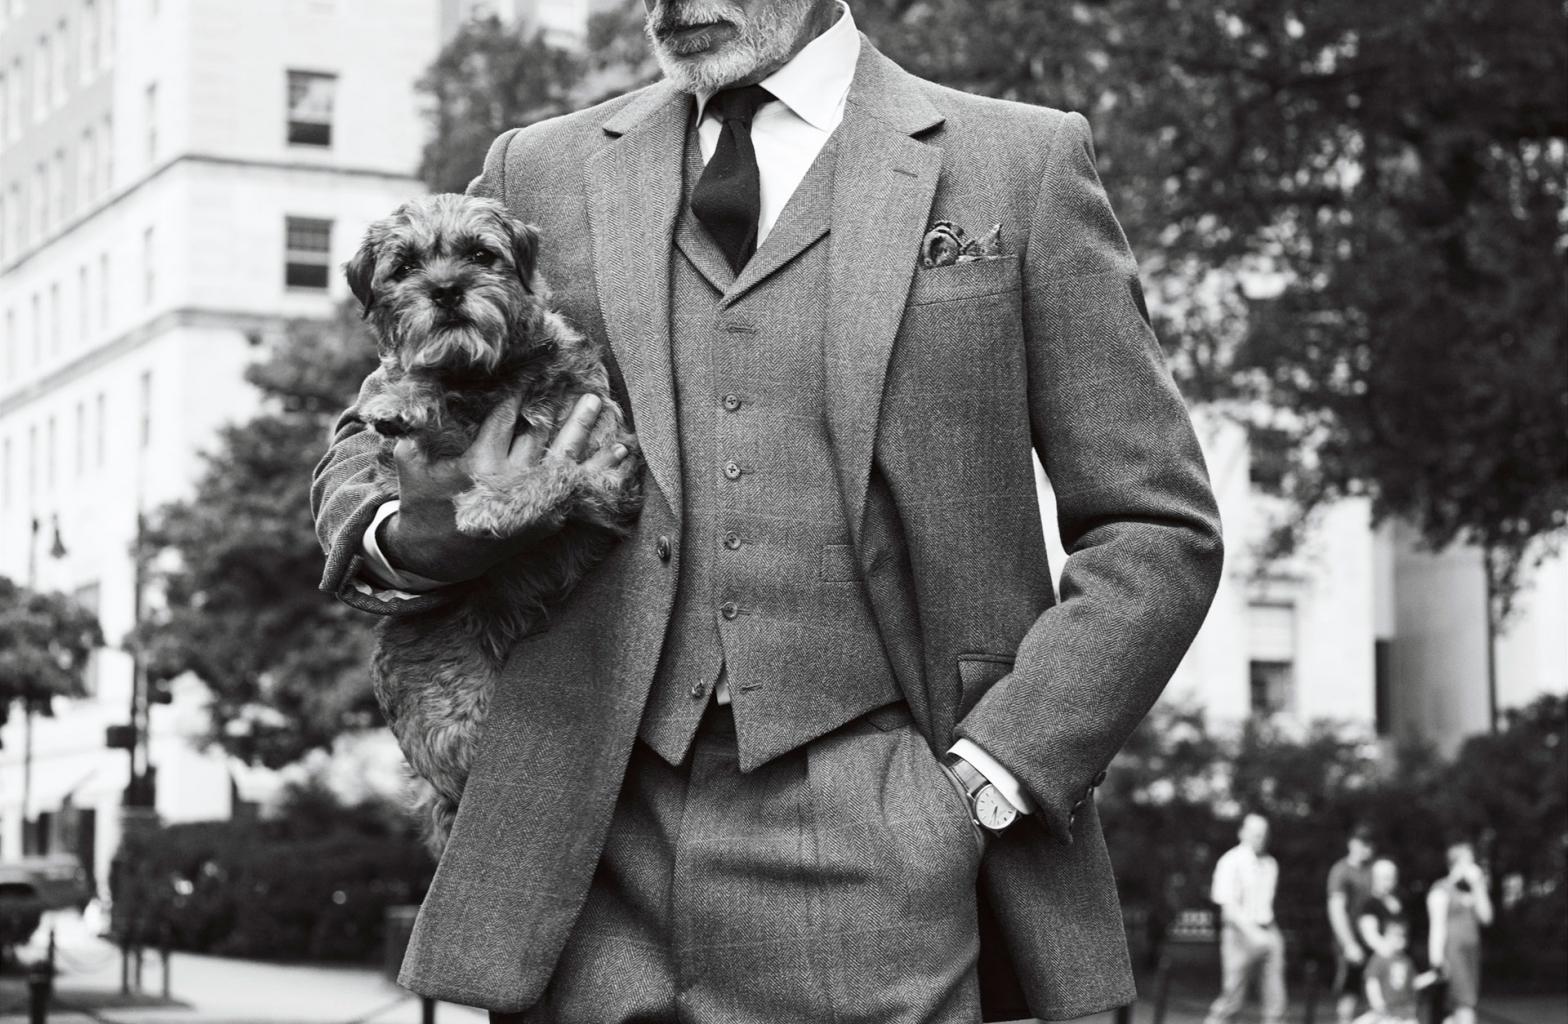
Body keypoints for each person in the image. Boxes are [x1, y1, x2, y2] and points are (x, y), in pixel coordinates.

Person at [310, 0, 1224, 1020]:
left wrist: (987, 774)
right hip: (579, 855)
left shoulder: (1019, 162)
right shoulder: (537, 171)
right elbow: (368, 435)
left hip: (884, 842)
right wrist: (434, 531)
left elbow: (1155, 526)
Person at [1204, 814, 1287, 1024]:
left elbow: (1265, 904)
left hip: (1268, 929)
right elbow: (1229, 907)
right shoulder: (1230, 861)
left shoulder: (1270, 864)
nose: (1260, 837)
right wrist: (1253, 934)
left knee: (1276, 1002)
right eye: (1255, 832)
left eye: (1263, 833)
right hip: (1239, 933)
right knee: (1232, 999)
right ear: (1242, 832)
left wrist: (1271, 937)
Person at [1428, 840, 1493, 1024]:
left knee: (1457, 1008)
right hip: (1453, 954)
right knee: (1465, 1005)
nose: (1474, 866)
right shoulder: (1441, 889)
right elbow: (1437, 926)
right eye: (1469, 861)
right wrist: (1436, 960)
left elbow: (1486, 917)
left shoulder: (1472, 891)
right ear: (1456, 863)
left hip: (1471, 955)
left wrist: (1478, 886)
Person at [1328, 824, 1377, 1023]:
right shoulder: (1341, 871)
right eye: (1362, 843)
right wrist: (1348, 944)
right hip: (1351, 941)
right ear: (1352, 844)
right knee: (1350, 993)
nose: (1366, 848)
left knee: (1374, 991)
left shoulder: (1373, 870)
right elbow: (1336, 910)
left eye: (1369, 844)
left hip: (1372, 940)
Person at [1359, 920, 1437, 1024]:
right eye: (1396, 936)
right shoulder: (1379, 958)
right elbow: (1372, 982)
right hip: (1385, 1011)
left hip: (1405, 1012)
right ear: (1386, 936)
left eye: (1403, 936)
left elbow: (1413, 983)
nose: (1401, 939)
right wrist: (1377, 1002)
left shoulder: (1406, 961)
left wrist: (1432, 977)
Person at [1357, 858, 1406, 959]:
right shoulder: (1369, 905)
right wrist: (1387, 950)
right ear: (1375, 878)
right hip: (1379, 960)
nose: (1390, 882)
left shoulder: (1399, 902)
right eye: (1386, 878)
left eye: (1393, 878)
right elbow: (1370, 936)